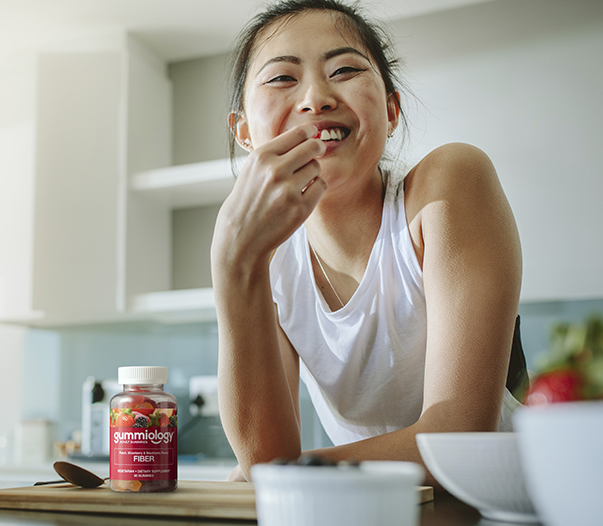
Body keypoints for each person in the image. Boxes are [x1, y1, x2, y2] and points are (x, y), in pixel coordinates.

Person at [210, 0, 526, 485]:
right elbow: (264, 453)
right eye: (281, 78)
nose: (316, 97)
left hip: (499, 503)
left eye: (345, 70)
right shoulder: (267, 258)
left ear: (392, 109)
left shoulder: (448, 185)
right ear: (245, 133)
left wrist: (290, 473)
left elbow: (459, 437)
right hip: (373, 507)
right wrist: (233, 264)